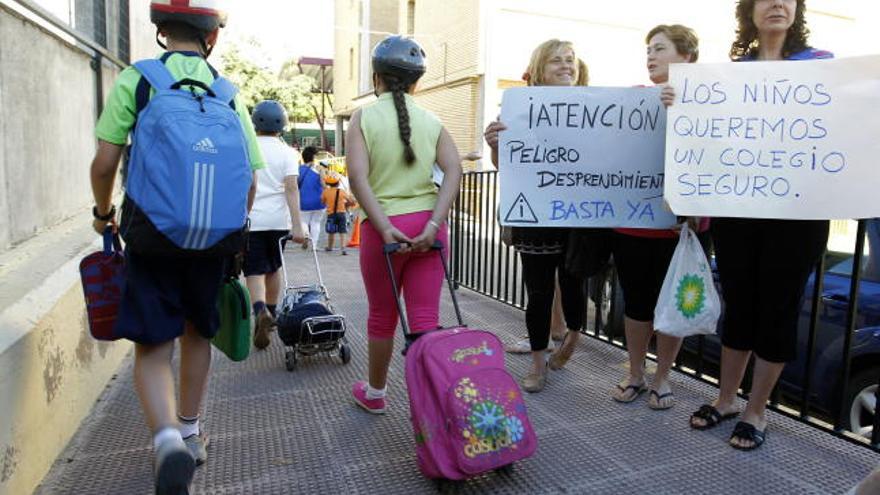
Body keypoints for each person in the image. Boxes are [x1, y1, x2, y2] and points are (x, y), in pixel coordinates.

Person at [89, 1, 265, 492]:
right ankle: (190, 432)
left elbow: (105, 163)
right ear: (211, 39)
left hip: (152, 233)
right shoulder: (228, 93)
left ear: (163, 32)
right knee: (197, 333)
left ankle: (164, 438)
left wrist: (104, 213)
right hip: (214, 241)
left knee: (152, 342)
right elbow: (249, 179)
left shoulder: (138, 80)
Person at [679, 0, 833, 450]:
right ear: (750, 9)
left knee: (778, 310)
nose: (779, 4)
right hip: (738, 211)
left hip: (797, 217)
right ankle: (726, 399)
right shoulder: (731, 75)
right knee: (741, 304)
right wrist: (681, 104)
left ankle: (756, 410)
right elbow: (706, 135)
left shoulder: (822, 67)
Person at [346, 35, 462, 414]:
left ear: (376, 77)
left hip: (386, 231)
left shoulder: (362, 117)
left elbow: (358, 178)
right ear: (418, 82)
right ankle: (429, 404)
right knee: (426, 316)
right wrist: (434, 223)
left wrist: (382, 227)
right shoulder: (433, 120)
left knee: (383, 314)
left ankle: (376, 394)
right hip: (429, 226)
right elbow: (454, 170)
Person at [483, 40, 589, 392]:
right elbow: (506, 168)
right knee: (539, 293)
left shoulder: (594, 106)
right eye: (556, 61)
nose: (565, 66)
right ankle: (539, 363)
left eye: (570, 60)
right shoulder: (518, 110)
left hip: (578, 215)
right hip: (536, 218)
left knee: (575, 284)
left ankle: (573, 337)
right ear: (540, 69)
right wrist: (495, 146)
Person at [610, 24, 703, 410]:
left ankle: (662, 377)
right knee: (636, 302)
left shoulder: (709, 103)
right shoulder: (634, 99)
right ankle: (635, 372)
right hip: (632, 222)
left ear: (687, 58)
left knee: (673, 305)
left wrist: (684, 111)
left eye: (660, 49)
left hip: (680, 228)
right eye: (648, 49)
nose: (650, 56)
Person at [246, 100, 307, 350]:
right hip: (278, 222)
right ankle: (271, 312)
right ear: (282, 124)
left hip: (251, 220)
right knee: (273, 268)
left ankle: (260, 311)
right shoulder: (289, 153)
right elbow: (291, 188)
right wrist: (297, 225)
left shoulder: (247, 147)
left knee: (253, 271)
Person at [298, 146, 326, 249]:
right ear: (313, 157)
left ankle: (306, 235)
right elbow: (323, 184)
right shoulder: (319, 169)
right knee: (316, 222)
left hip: (303, 200)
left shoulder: (299, 169)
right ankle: (314, 246)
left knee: (304, 221)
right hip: (319, 200)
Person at [321, 174, 356, 254]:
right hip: (341, 214)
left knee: (331, 231)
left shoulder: (326, 192)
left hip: (331, 214)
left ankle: (330, 247)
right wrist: (347, 204)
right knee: (342, 231)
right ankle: (343, 248)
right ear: (338, 183)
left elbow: (322, 201)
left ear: (328, 183)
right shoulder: (342, 192)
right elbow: (351, 201)